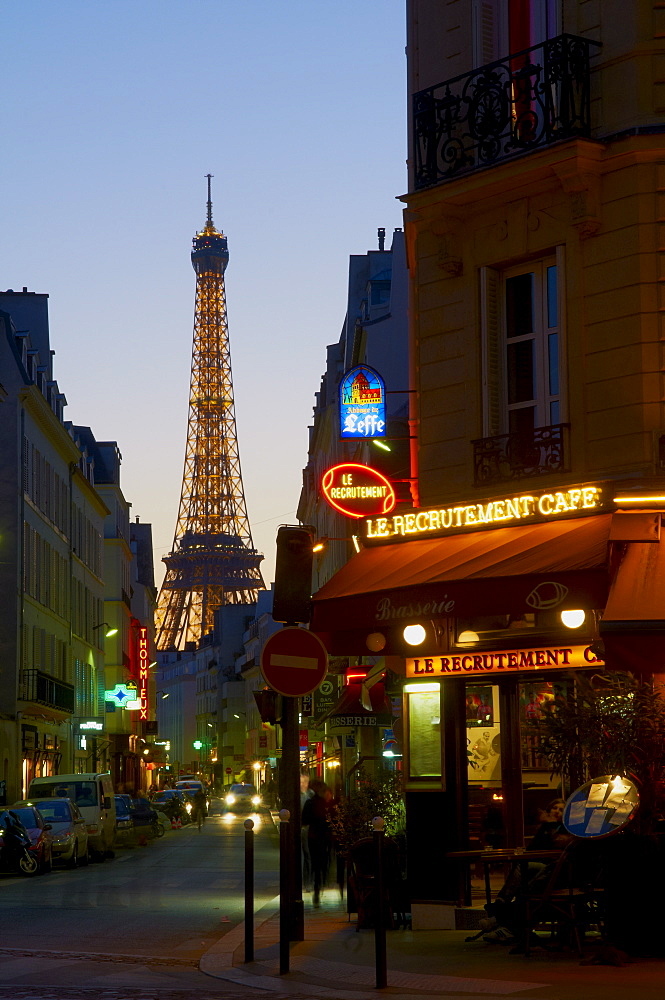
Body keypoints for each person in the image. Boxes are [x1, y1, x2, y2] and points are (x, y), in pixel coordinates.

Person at [483, 799, 571, 944]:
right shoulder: (546, 828)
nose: (556, 811)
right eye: (554, 808)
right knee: (524, 871)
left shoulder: (566, 829)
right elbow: (533, 849)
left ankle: (501, 908)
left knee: (524, 867)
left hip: (555, 872)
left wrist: (549, 824)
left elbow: (556, 845)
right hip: (542, 869)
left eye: (561, 810)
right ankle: (503, 908)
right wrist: (545, 826)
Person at [302, 779, 333, 907]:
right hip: (324, 837)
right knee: (322, 861)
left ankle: (316, 883)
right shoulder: (327, 805)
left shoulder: (311, 803)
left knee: (315, 861)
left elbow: (304, 820)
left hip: (313, 836)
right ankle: (320, 881)